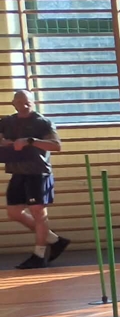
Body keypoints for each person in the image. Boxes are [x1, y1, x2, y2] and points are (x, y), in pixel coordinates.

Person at [4, 90, 69, 270]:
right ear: (13, 103)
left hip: (38, 172)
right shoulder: (7, 122)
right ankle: (54, 240)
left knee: (38, 212)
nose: (24, 106)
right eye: (19, 102)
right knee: (13, 212)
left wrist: (30, 141)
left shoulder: (42, 122)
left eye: (27, 102)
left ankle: (39, 255)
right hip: (18, 171)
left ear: (33, 102)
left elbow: (56, 145)